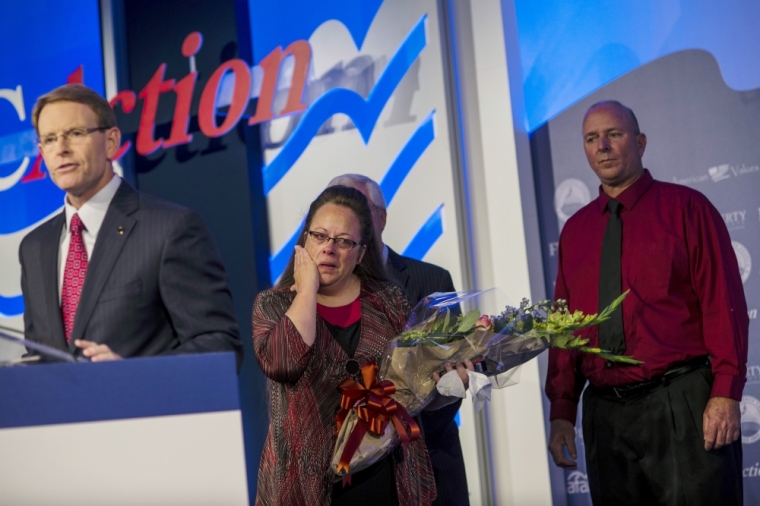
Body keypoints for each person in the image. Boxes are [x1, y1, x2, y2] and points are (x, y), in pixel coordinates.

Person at [545, 100, 748, 505]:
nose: (602, 146)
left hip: (681, 404)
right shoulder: (575, 232)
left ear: (640, 142)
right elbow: (566, 328)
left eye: (613, 134)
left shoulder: (688, 209)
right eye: (591, 138)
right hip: (605, 415)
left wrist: (726, 391)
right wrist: (563, 409)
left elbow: (722, 305)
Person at [20, 84, 242, 365]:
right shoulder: (35, 246)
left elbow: (220, 344)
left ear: (110, 141)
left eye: (75, 134)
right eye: (49, 139)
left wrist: (134, 376)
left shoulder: (170, 228)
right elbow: (38, 355)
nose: (61, 149)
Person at [252, 185, 437, 505]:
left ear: (361, 253)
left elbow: (414, 382)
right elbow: (283, 364)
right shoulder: (273, 305)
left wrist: (446, 376)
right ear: (304, 240)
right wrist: (307, 291)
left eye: (343, 241)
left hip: (385, 476)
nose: (328, 249)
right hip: (305, 485)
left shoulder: (389, 301)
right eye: (320, 236)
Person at [328, 174, 469, 506]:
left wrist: (432, 400)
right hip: (351, 477)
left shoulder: (431, 280)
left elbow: (454, 375)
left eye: (359, 209)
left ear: (382, 217)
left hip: (429, 462)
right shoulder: (317, 294)